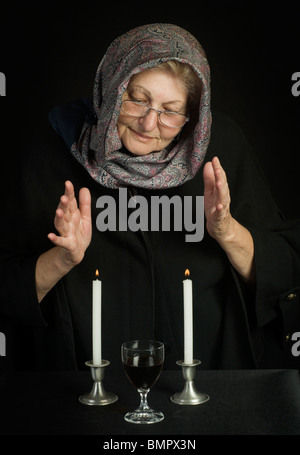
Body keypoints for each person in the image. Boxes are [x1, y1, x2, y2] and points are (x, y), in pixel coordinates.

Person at [0, 23, 299, 372]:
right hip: (82, 389)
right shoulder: (53, 150)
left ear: (191, 116)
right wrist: (62, 259)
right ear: (112, 89)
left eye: (170, 110)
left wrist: (229, 232)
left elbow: (285, 273)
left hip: (212, 386)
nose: (148, 123)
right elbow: (7, 287)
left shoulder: (222, 148)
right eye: (137, 100)